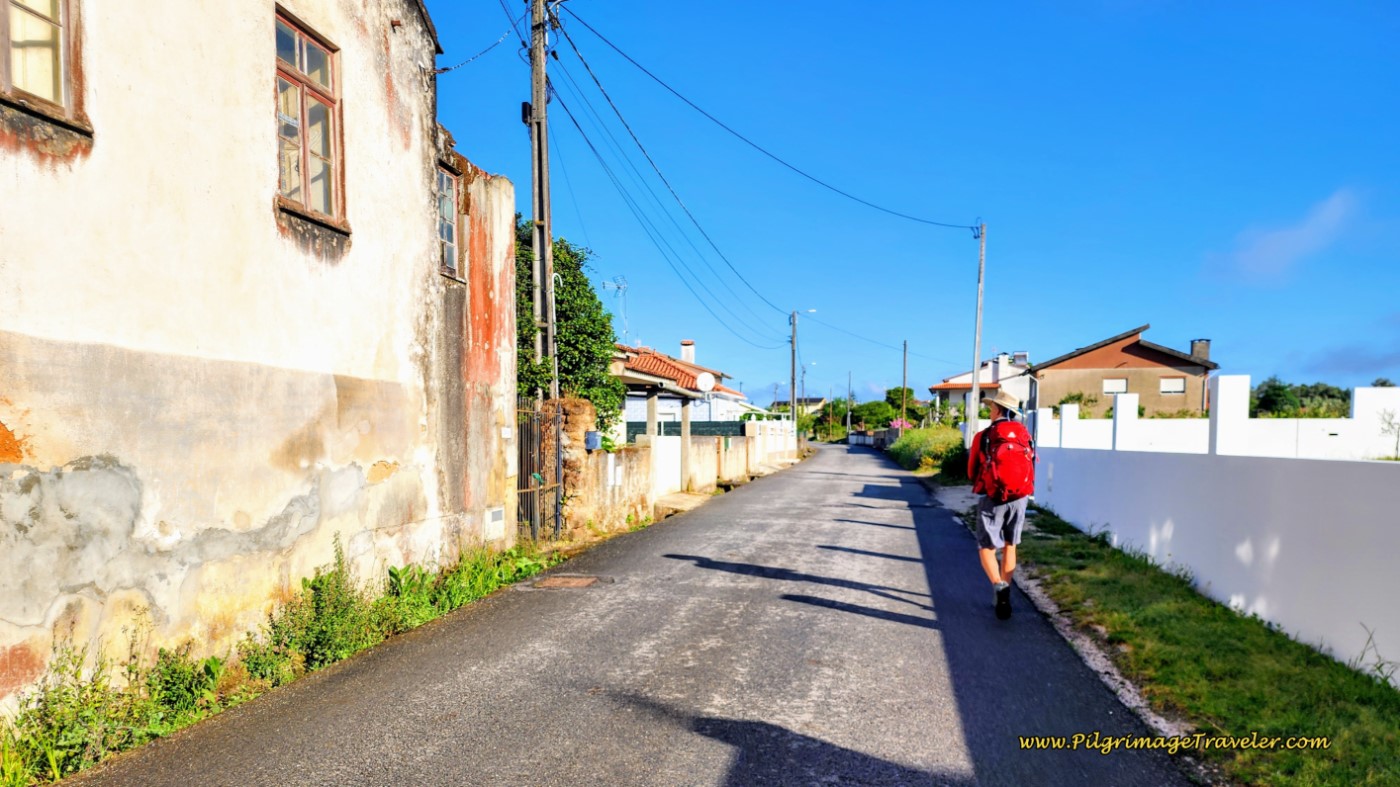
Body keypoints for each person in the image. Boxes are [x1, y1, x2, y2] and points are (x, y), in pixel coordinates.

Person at [966, 389, 1035, 620]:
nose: (989, 410)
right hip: (1020, 498)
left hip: (993, 496)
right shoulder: (1026, 434)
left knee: (987, 547)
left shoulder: (984, 435)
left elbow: (970, 471)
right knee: (1010, 545)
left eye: (991, 407)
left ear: (997, 409)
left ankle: (998, 585)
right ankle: (1006, 588)